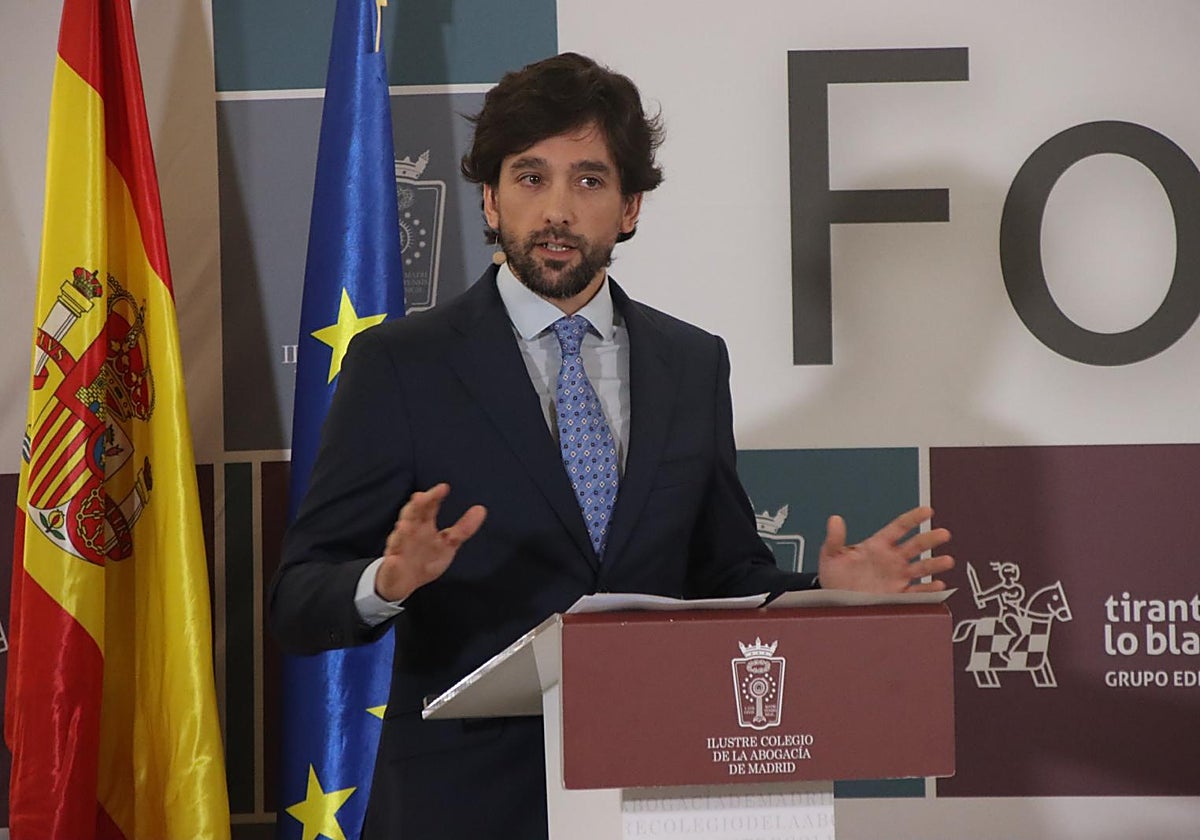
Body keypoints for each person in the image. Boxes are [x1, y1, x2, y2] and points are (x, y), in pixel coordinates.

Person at [269, 51, 953, 840]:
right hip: (464, 804)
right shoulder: (403, 365)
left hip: (655, 791)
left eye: (589, 181)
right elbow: (297, 600)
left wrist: (821, 592)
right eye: (531, 178)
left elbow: (722, 574)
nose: (557, 210)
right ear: (489, 198)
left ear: (629, 207)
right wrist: (387, 581)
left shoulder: (691, 363)